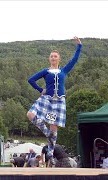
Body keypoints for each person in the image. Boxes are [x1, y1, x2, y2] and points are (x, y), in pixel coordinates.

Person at [27, 37, 82, 166]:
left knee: (54, 126)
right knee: (30, 114)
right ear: (49, 59)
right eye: (51, 56)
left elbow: (74, 60)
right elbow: (31, 80)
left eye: (55, 56)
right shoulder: (45, 71)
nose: (53, 58)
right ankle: (47, 133)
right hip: (47, 100)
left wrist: (79, 46)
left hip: (59, 102)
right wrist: (41, 89)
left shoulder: (64, 70)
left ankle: (51, 154)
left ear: (59, 58)